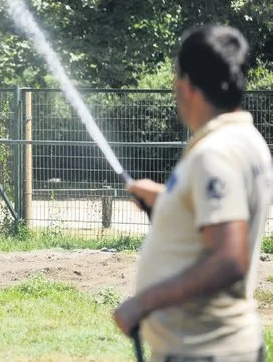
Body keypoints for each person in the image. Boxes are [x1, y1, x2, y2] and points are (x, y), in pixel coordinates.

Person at [113, 24, 272, 361]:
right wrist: (165, 200)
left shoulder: (214, 154)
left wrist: (142, 302)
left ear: (186, 86)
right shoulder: (248, 141)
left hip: (202, 351)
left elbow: (229, 259)